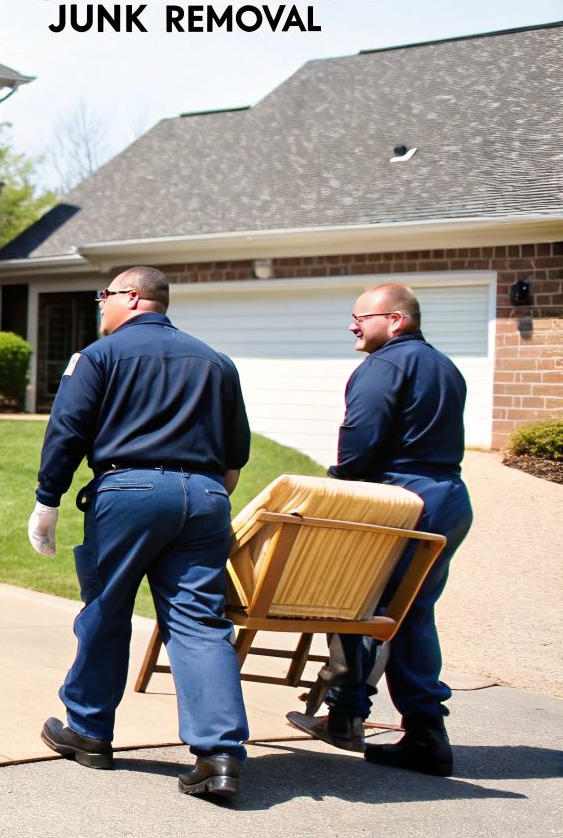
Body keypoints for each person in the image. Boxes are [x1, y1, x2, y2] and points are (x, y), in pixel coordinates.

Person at [29, 266, 252, 799]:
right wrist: (198, 496)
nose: (99, 305)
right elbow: (235, 458)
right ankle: (218, 754)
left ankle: (88, 731)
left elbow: (68, 430)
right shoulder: (216, 362)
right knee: (200, 622)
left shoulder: (98, 357)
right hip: (205, 496)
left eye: (103, 296)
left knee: (107, 610)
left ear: (131, 297)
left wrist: (47, 500)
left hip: (127, 492)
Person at [287, 283, 472, 776]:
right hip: (448, 499)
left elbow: (360, 439)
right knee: (409, 613)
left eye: (360, 317)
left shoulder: (383, 367)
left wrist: (339, 482)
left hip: (403, 502)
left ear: (395, 321)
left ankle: (348, 716)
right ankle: (421, 732)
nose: (352, 325)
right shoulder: (445, 367)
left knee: (353, 602)